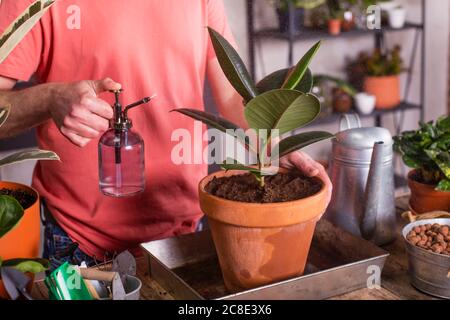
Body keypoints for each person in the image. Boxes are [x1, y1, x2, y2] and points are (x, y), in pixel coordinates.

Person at [0, 0, 331, 269]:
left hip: (191, 231)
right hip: (79, 243)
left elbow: (234, 97)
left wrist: (276, 144)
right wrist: (49, 98)